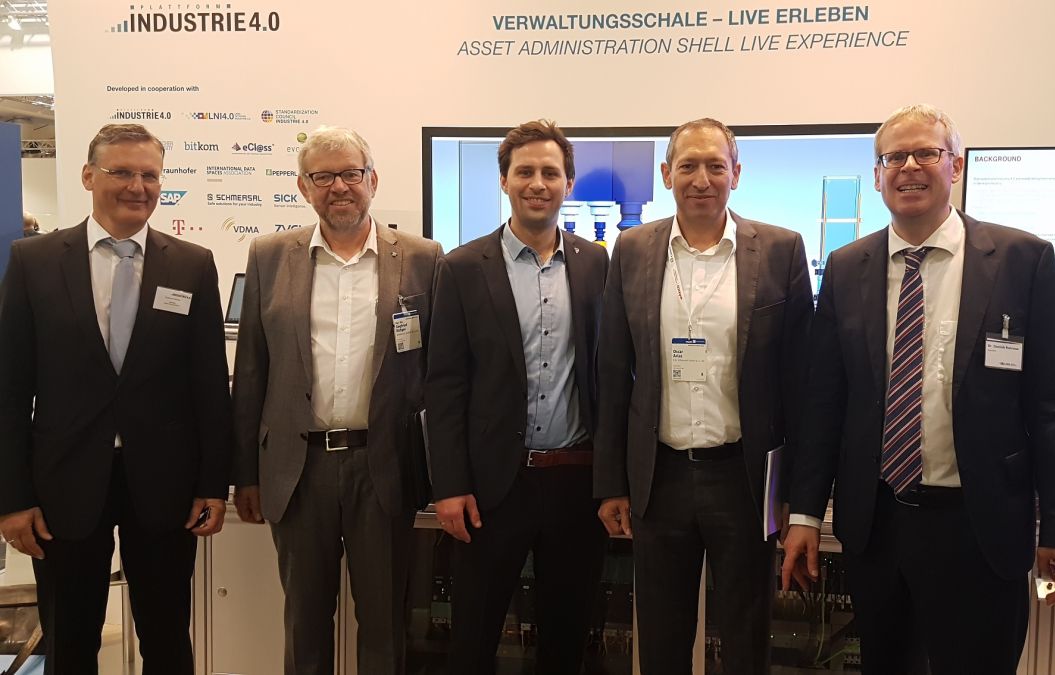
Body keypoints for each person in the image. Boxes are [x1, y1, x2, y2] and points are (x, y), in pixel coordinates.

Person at [782, 104, 1055, 674]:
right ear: (877, 174)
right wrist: (804, 514)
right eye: (894, 156)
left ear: (957, 165)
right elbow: (825, 403)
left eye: (926, 152)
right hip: (879, 526)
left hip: (979, 527)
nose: (909, 167)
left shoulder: (1020, 259)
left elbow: (1053, 405)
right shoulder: (847, 266)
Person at [0, 123, 232, 674]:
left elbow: (208, 385)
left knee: (167, 640)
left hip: (166, 485)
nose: (137, 186)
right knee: (71, 642)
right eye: (121, 172)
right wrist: (11, 497)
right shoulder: (34, 261)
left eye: (150, 175)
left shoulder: (191, 264)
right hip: (64, 485)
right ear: (88, 176)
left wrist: (212, 484)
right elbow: (9, 388)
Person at [594, 118, 812, 674]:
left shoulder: (781, 249)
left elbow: (800, 384)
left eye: (716, 165)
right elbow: (614, 374)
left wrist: (797, 493)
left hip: (744, 479)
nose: (701, 179)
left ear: (736, 173)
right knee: (661, 639)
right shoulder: (633, 249)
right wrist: (611, 482)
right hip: (659, 477)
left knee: (746, 638)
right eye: (688, 166)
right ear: (666, 173)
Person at [231, 126, 441, 675]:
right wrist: (245, 474)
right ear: (304, 187)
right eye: (323, 177)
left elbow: (437, 373)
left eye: (351, 173)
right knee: (304, 621)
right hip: (298, 469)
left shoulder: (421, 257)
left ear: (373, 180)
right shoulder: (270, 256)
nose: (339, 187)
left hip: (385, 465)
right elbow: (251, 371)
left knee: (385, 622)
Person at [425, 119, 609, 674]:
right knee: (474, 640)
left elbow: (608, 374)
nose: (537, 183)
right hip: (492, 487)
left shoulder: (596, 263)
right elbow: (445, 384)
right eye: (524, 171)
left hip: (576, 481)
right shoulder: (461, 268)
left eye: (550, 173)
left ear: (568, 183)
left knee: (566, 639)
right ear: (504, 181)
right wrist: (450, 485)